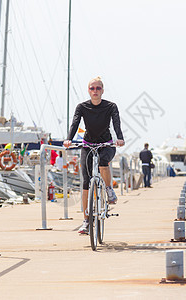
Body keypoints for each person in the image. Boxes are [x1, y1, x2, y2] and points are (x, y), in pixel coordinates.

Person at [63, 76, 125, 234]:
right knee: (85, 181)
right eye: (92, 88)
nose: (95, 91)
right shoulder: (82, 107)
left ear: (102, 90)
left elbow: (116, 122)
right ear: (88, 90)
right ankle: (86, 221)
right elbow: (75, 123)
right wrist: (69, 139)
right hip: (88, 144)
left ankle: (109, 189)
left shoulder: (110, 106)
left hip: (107, 144)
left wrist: (119, 138)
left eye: (98, 88)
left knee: (104, 162)